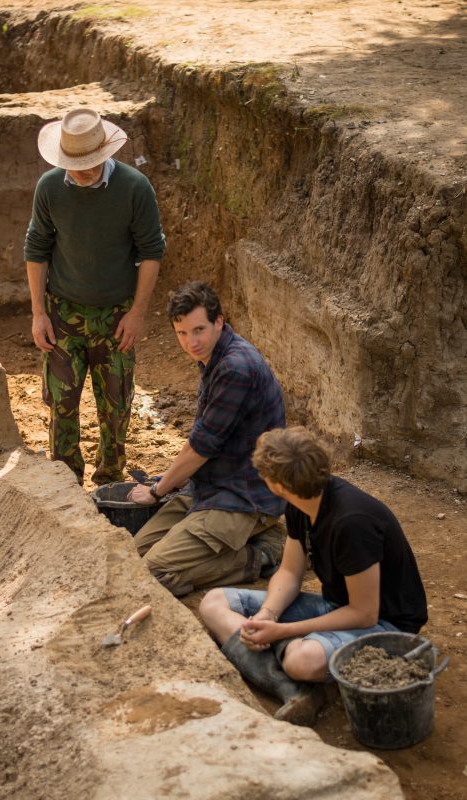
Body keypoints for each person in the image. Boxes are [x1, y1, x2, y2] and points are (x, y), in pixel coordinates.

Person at [199, 426, 428, 726]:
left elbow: (364, 614)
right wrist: (268, 614)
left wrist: (282, 631)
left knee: (302, 660)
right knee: (214, 602)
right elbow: (291, 572)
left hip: (387, 625)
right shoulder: (302, 502)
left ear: (278, 485)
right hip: (337, 607)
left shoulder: (352, 523)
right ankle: (293, 688)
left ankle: (285, 667)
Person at [24, 108, 166, 485]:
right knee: (61, 402)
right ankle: (65, 480)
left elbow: (151, 252)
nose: (81, 170)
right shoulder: (50, 188)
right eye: (73, 163)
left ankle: (110, 478)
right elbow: (36, 249)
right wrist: (39, 313)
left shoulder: (135, 188)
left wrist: (136, 313)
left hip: (116, 316)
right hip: (62, 314)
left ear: (106, 153)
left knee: (116, 405)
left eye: (89, 162)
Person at [129, 281, 287, 596]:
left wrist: (158, 490)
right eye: (182, 333)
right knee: (130, 558)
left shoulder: (234, 369)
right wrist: (168, 482)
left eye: (199, 330)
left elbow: (201, 446)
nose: (191, 342)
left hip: (245, 497)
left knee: (152, 573)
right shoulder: (213, 357)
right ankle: (243, 544)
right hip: (210, 486)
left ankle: (263, 553)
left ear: (219, 321)